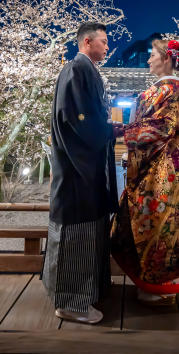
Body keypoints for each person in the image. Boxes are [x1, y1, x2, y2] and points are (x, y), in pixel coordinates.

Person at [43, 21, 123, 324]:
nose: (107, 46)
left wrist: (106, 129)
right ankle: (71, 303)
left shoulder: (86, 70)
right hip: (78, 169)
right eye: (103, 41)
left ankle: (90, 290)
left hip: (87, 165)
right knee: (77, 231)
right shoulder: (76, 70)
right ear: (87, 42)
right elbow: (77, 119)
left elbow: (90, 118)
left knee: (91, 228)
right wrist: (105, 129)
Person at [110, 39, 179, 306]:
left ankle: (161, 289)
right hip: (166, 174)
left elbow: (161, 129)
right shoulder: (170, 94)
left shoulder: (165, 93)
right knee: (159, 230)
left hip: (157, 176)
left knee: (155, 231)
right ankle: (157, 285)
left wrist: (124, 132)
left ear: (168, 60)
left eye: (153, 55)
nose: (148, 60)